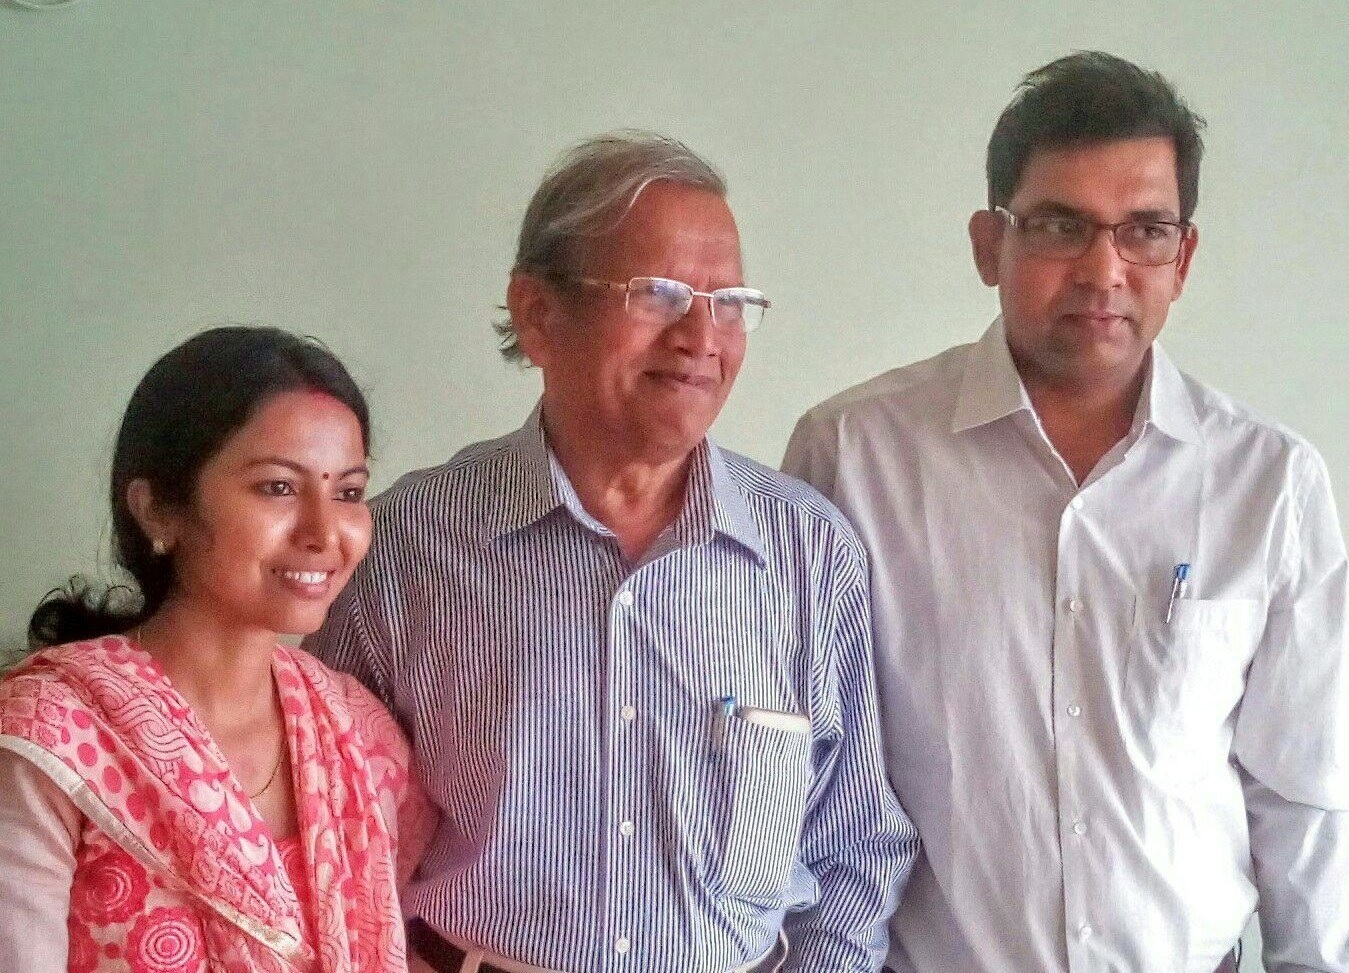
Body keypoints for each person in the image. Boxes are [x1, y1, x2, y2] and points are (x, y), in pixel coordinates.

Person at [784, 51, 1349, 973]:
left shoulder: (1270, 483)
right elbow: (802, 776)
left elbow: (1303, 792)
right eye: (1059, 225)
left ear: (1182, 257)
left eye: (1144, 231)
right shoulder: (853, 456)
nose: (1102, 269)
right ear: (987, 244)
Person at [306, 131, 918, 973]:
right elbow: (327, 831)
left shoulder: (806, 551)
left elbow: (854, 847)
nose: (702, 335)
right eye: (659, 294)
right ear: (538, 313)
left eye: (730, 301)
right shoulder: (406, 547)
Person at [0, 326, 433, 973]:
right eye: (278, 487)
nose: (323, 532)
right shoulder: (50, 740)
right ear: (158, 510)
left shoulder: (361, 739)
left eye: (347, 492)